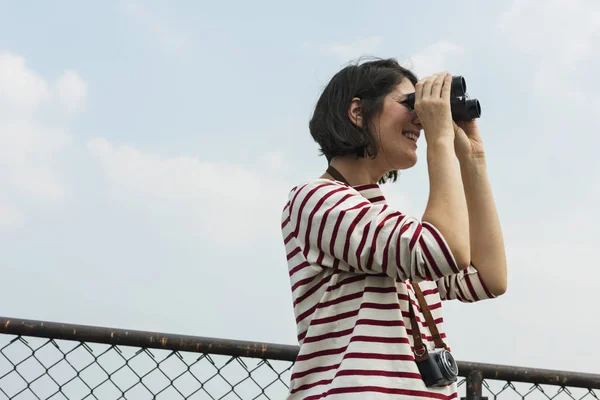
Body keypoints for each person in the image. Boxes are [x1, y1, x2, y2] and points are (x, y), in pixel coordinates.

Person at [280, 58, 507, 399]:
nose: (422, 118)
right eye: (410, 103)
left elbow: (489, 277)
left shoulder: (391, 231)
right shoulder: (315, 199)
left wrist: (473, 159)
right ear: (357, 111)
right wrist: (441, 139)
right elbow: (443, 249)